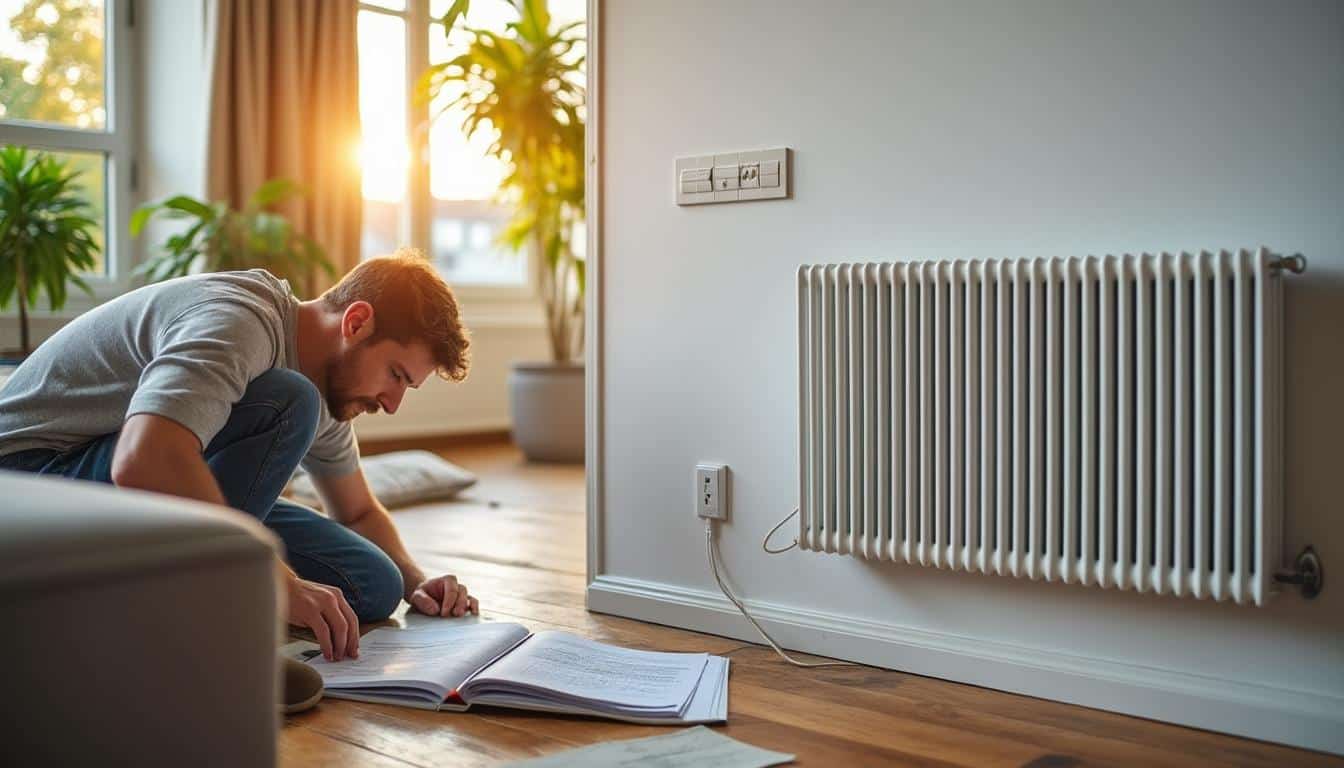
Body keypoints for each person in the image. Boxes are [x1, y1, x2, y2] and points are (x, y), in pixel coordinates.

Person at [0, 248, 478, 709]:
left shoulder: (334, 391)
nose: (392, 404)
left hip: (121, 483)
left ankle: (209, 589)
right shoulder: (240, 320)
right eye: (395, 375)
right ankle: (214, 632)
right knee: (290, 401)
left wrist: (418, 580)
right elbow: (144, 458)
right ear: (355, 323)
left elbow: (357, 511)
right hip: (33, 479)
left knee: (375, 583)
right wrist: (275, 580)